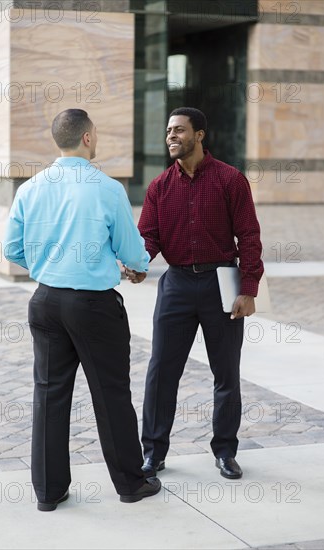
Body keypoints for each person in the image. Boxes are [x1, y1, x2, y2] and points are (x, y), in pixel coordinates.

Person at [3, 108, 161, 511]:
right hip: (93, 306)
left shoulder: (31, 188)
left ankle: (48, 492)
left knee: (48, 394)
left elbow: (12, 250)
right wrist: (135, 265)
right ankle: (130, 484)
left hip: (46, 301)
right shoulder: (107, 188)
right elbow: (133, 253)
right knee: (110, 394)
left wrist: (48, 263)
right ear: (88, 138)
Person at [130, 106, 263, 480]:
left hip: (221, 282)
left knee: (226, 373)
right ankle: (153, 453)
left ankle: (225, 451)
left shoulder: (230, 180)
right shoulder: (159, 187)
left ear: (200, 135)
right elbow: (149, 237)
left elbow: (249, 236)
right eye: (169, 130)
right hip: (175, 285)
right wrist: (139, 264)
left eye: (179, 130)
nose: (172, 136)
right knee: (161, 371)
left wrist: (248, 288)